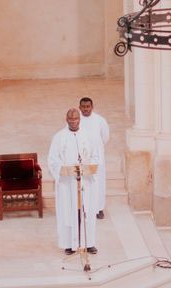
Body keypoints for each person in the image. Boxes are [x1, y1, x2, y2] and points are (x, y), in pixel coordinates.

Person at [48, 108, 100, 255]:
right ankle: (69, 244)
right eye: (70, 119)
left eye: (76, 119)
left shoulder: (89, 136)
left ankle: (88, 243)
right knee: (68, 212)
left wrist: (90, 167)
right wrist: (61, 170)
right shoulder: (59, 137)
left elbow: (96, 156)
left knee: (87, 211)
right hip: (68, 183)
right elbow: (52, 159)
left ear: (79, 119)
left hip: (85, 182)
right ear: (66, 120)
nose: (73, 122)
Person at [78, 97, 110, 220]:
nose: (86, 109)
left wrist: (96, 150)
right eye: (83, 107)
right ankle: (84, 208)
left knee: (98, 183)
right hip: (82, 158)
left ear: (92, 107)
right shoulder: (76, 119)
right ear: (80, 107)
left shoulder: (100, 120)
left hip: (97, 158)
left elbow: (105, 137)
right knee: (84, 184)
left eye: (88, 107)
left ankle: (99, 209)